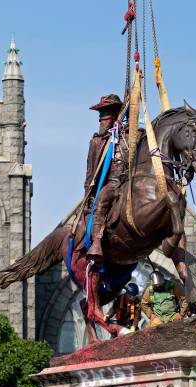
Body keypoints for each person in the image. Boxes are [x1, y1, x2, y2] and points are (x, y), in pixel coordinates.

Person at [84, 94, 128, 263]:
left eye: (105, 114)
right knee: (102, 200)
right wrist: (88, 196)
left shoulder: (130, 135)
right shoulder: (97, 141)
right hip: (112, 184)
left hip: (130, 181)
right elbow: (90, 174)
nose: (101, 120)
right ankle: (96, 243)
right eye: (101, 116)